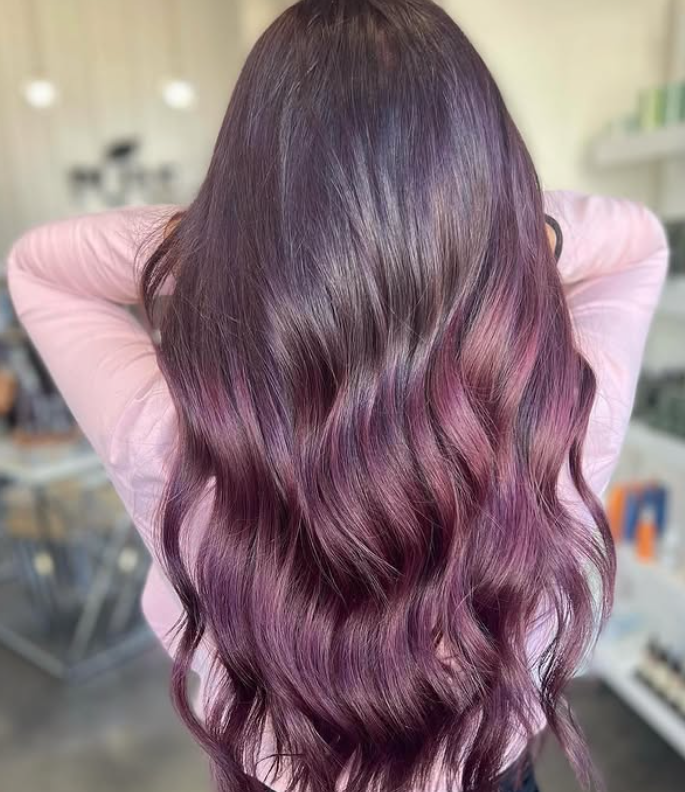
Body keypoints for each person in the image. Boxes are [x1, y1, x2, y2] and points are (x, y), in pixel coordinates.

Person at [7, 1, 669, 791]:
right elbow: (636, 241)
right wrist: (487, 236)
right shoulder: (559, 415)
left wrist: (244, 247)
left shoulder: (180, 432)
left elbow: (41, 265)